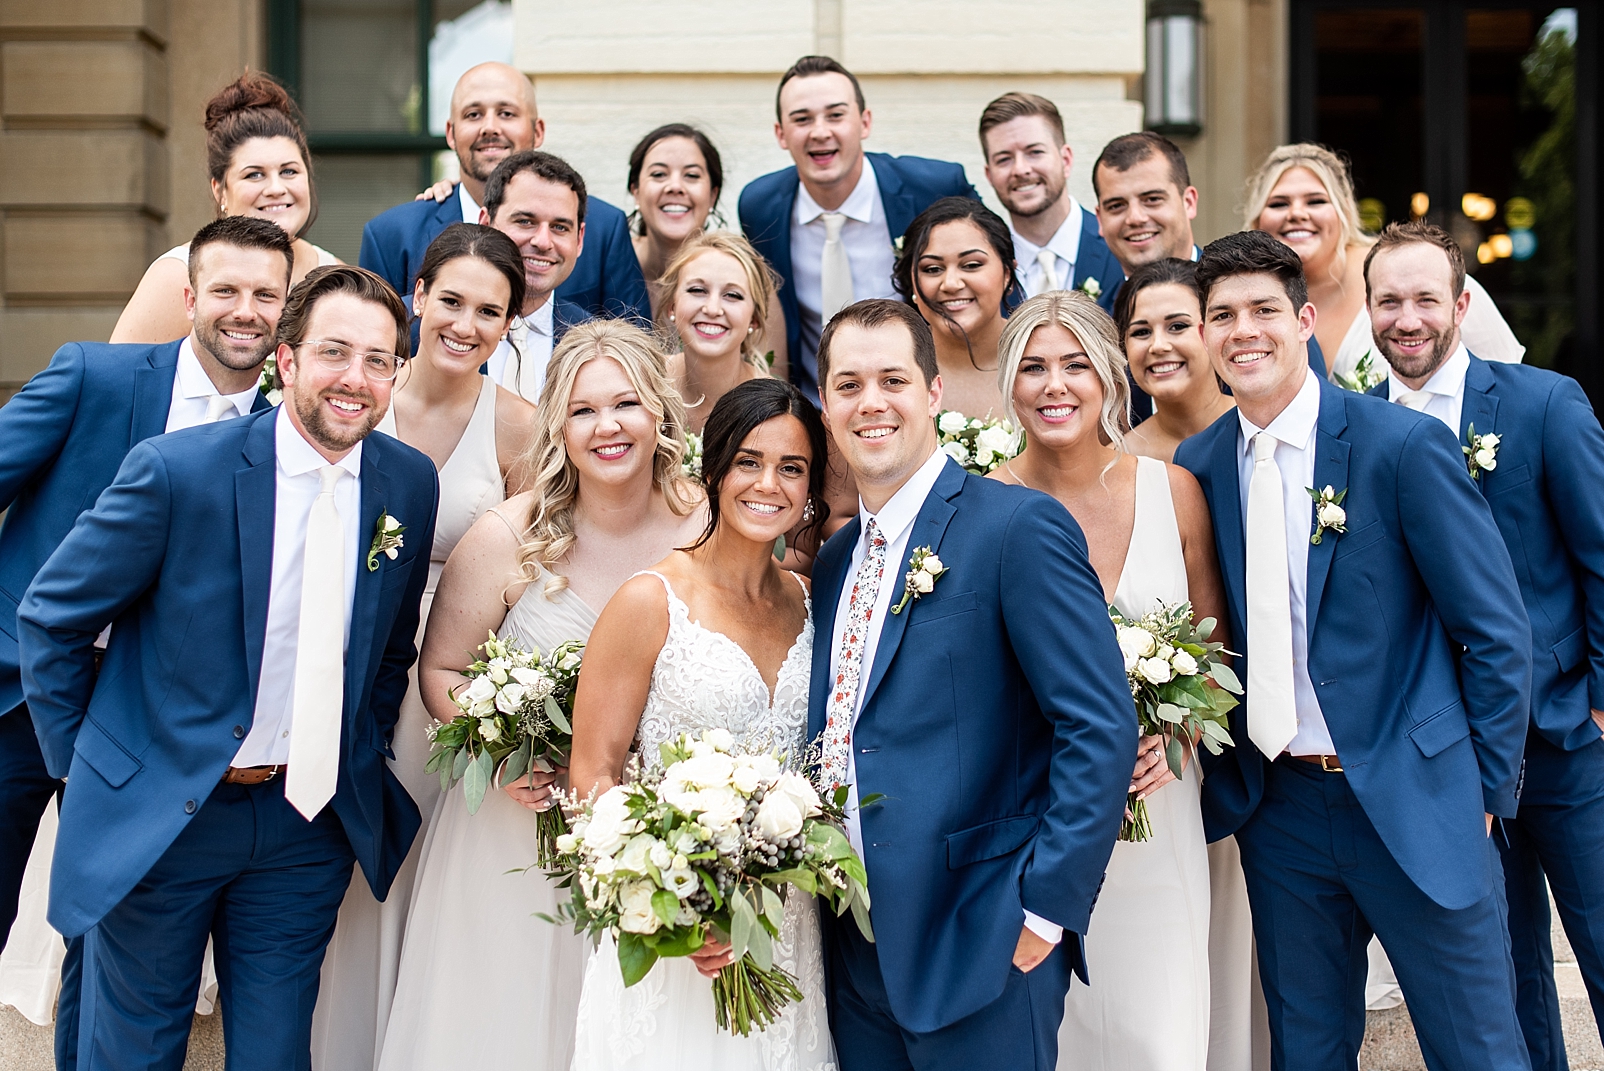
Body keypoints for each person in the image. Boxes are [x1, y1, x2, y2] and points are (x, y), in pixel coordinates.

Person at [18, 265, 439, 1069]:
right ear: (287, 359)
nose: (355, 378)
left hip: (303, 824)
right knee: (134, 1052)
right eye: (334, 352)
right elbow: (51, 617)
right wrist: (89, 767)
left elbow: (391, 646)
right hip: (162, 816)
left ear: (397, 373)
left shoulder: (407, 483)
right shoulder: (177, 470)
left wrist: (355, 745)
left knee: (275, 1054)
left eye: (378, 360)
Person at [1174, 230, 1532, 1070]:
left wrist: (1482, 790)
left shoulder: (1399, 445)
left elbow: (1493, 628)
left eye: (1264, 309)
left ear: (1304, 322)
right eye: (1222, 315)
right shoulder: (1201, 465)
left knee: (1478, 1049)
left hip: (1419, 795)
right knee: (1307, 1050)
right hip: (1282, 808)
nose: (1244, 331)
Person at [806, 298, 1134, 1070]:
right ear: (825, 405)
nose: (871, 402)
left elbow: (1099, 724)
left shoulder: (1017, 527)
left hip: (982, 935)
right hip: (853, 947)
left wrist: (1045, 908)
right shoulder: (836, 560)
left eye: (893, 379)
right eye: (849, 385)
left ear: (933, 392)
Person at [0, 215, 290, 1063]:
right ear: (190, 297)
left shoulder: (288, 428)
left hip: (144, 720)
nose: (245, 309)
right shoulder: (95, 375)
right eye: (227, 289)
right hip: (22, 690)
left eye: (266, 294)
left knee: (104, 935)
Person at [1361, 221, 1604, 1071]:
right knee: (1505, 979)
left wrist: (1599, 703)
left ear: (1463, 305)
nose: (1408, 318)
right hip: (1451, 759)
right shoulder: (1357, 428)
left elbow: (1600, 554)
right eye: (1389, 301)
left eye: (1426, 298)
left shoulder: (1544, 403)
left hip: (1565, 736)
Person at [310, 224, 537, 1070]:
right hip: (353, 661)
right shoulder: (361, 394)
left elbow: (538, 567)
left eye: (490, 311)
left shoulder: (519, 429)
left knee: (439, 877)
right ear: (417, 295)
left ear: (510, 323)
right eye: (451, 301)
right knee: (355, 878)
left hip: (458, 683)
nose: (465, 324)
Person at [989, 291, 1226, 1070]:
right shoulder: (982, 505)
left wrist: (1176, 731)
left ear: (1109, 377)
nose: (1055, 385)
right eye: (1034, 367)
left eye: (1075, 365)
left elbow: (1217, 654)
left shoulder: (1173, 491)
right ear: (1010, 384)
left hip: (1160, 809)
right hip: (1040, 819)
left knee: (1160, 1035)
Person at [566, 375, 829, 1070]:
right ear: (711, 469)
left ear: (810, 487)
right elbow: (592, 773)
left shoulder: (812, 604)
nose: (768, 483)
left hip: (785, 926)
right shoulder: (649, 600)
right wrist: (676, 903)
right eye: (748, 461)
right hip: (676, 931)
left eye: (791, 467)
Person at [739, 55, 979, 404]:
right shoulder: (760, 206)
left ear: (864, 122)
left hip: (917, 403)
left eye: (835, 115)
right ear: (781, 134)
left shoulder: (934, 188)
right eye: (802, 119)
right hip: (811, 409)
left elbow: (994, 272)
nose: (820, 132)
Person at [360, 61, 648, 323]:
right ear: (450, 133)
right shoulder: (392, 235)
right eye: (473, 115)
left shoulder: (603, 227)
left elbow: (633, 344)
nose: (490, 127)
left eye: (506, 114)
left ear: (538, 131)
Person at [1243, 143, 1524, 389]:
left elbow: (1505, 382)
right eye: (1278, 204)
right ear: (1257, 219)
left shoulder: (1409, 269)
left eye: (1315, 201)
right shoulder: (1247, 299)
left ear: (1343, 211)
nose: (1296, 213)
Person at [111, 72, 338, 345]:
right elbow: (120, 371)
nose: (276, 188)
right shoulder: (176, 277)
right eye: (254, 174)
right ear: (219, 190)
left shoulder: (335, 276)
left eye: (289, 171)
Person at [629, 123, 790, 377]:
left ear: (713, 195)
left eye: (692, 176)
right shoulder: (612, 266)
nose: (675, 186)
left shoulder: (745, 276)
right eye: (659, 174)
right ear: (636, 191)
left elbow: (775, 380)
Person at [977, 92, 1122, 309]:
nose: (1020, 169)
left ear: (1066, 160)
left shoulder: (1118, 246)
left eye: (1034, 152)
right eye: (1004, 159)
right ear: (989, 175)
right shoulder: (984, 267)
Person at [478, 150, 595, 403]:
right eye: (525, 221)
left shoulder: (596, 343)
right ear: (485, 224)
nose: (543, 242)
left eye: (560, 227)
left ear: (579, 239)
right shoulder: (422, 328)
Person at [891, 196, 1016, 420]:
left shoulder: (1045, 359)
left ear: (1007, 274)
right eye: (932, 269)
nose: (951, 284)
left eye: (971, 265)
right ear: (912, 282)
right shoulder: (888, 366)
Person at [658, 230, 778, 433]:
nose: (712, 309)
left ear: (754, 319)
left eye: (732, 295)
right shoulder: (645, 384)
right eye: (697, 290)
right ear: (672, 307)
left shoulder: (773, 408)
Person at [1115, 259, 1234, 461]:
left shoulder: (1264, 428)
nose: (1158, 345)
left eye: (1177, 326)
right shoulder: (1117, 462)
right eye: (1141, 332)